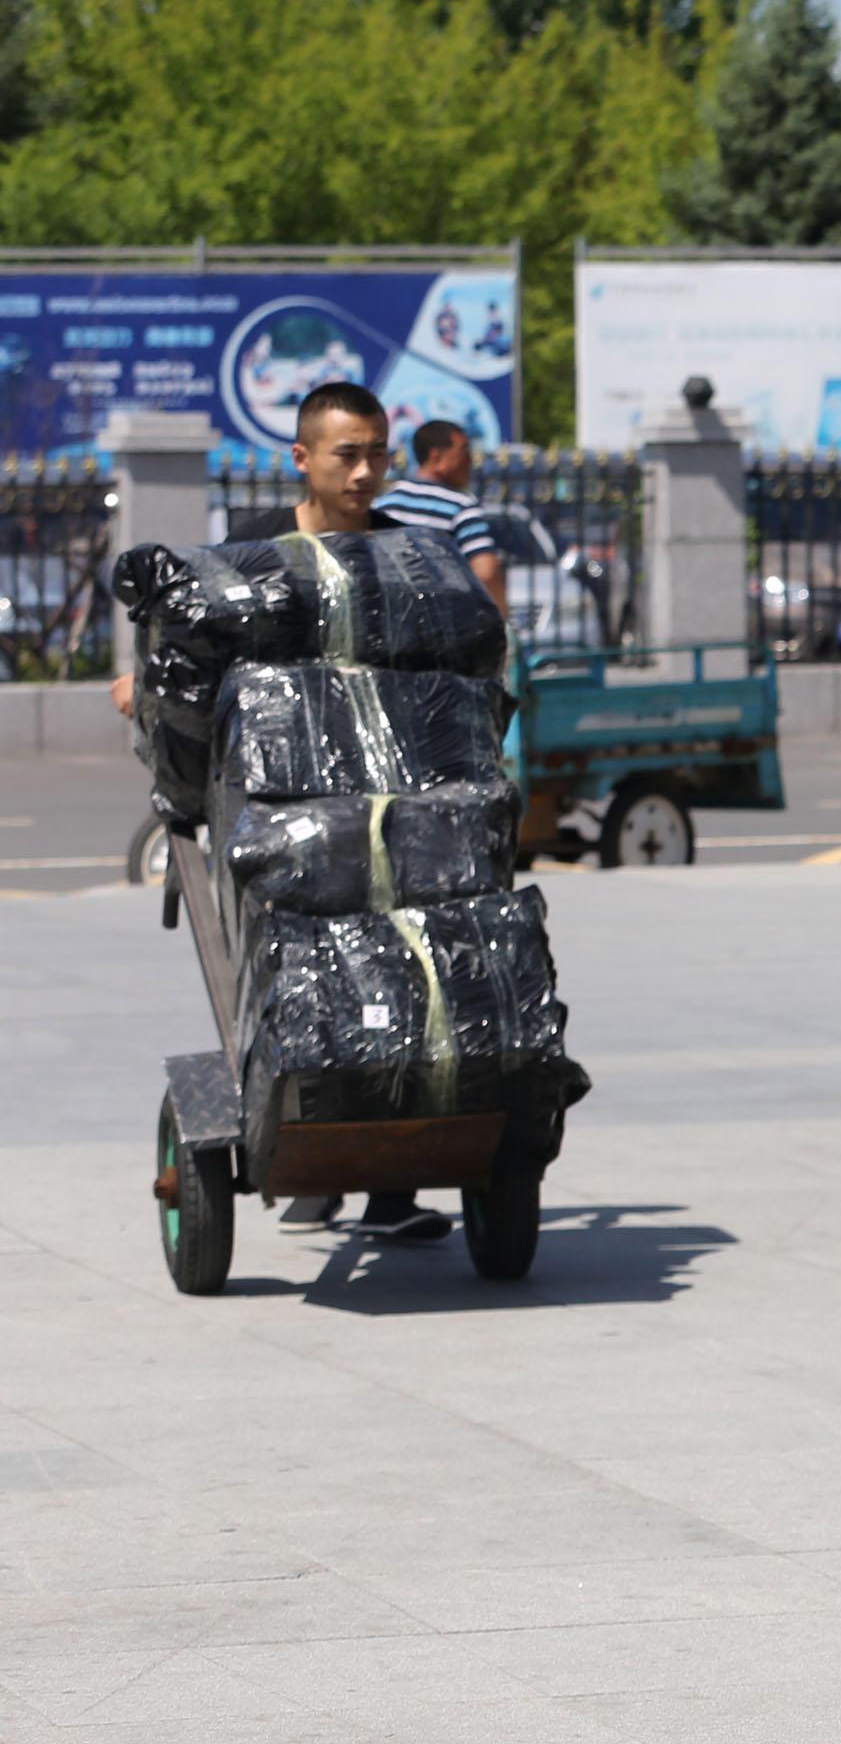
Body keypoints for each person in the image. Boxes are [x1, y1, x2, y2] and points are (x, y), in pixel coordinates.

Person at [261, 384, 459, 1246]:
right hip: (291, 814)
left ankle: (389, 1184)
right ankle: (306, 1149)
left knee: (407, 980)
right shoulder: (256, 552)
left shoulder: (411, 555)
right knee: (304, 981)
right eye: (348, 453)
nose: (368, 470)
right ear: (302, 458)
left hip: (395, 809)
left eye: (379, 451)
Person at [370, 419, 511, 615]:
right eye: (464, 451)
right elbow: (487, 572)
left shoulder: (384, 505)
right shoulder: (461, 507)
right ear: (437, 458)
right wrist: (502, 617)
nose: (471, 460)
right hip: (446, 623)